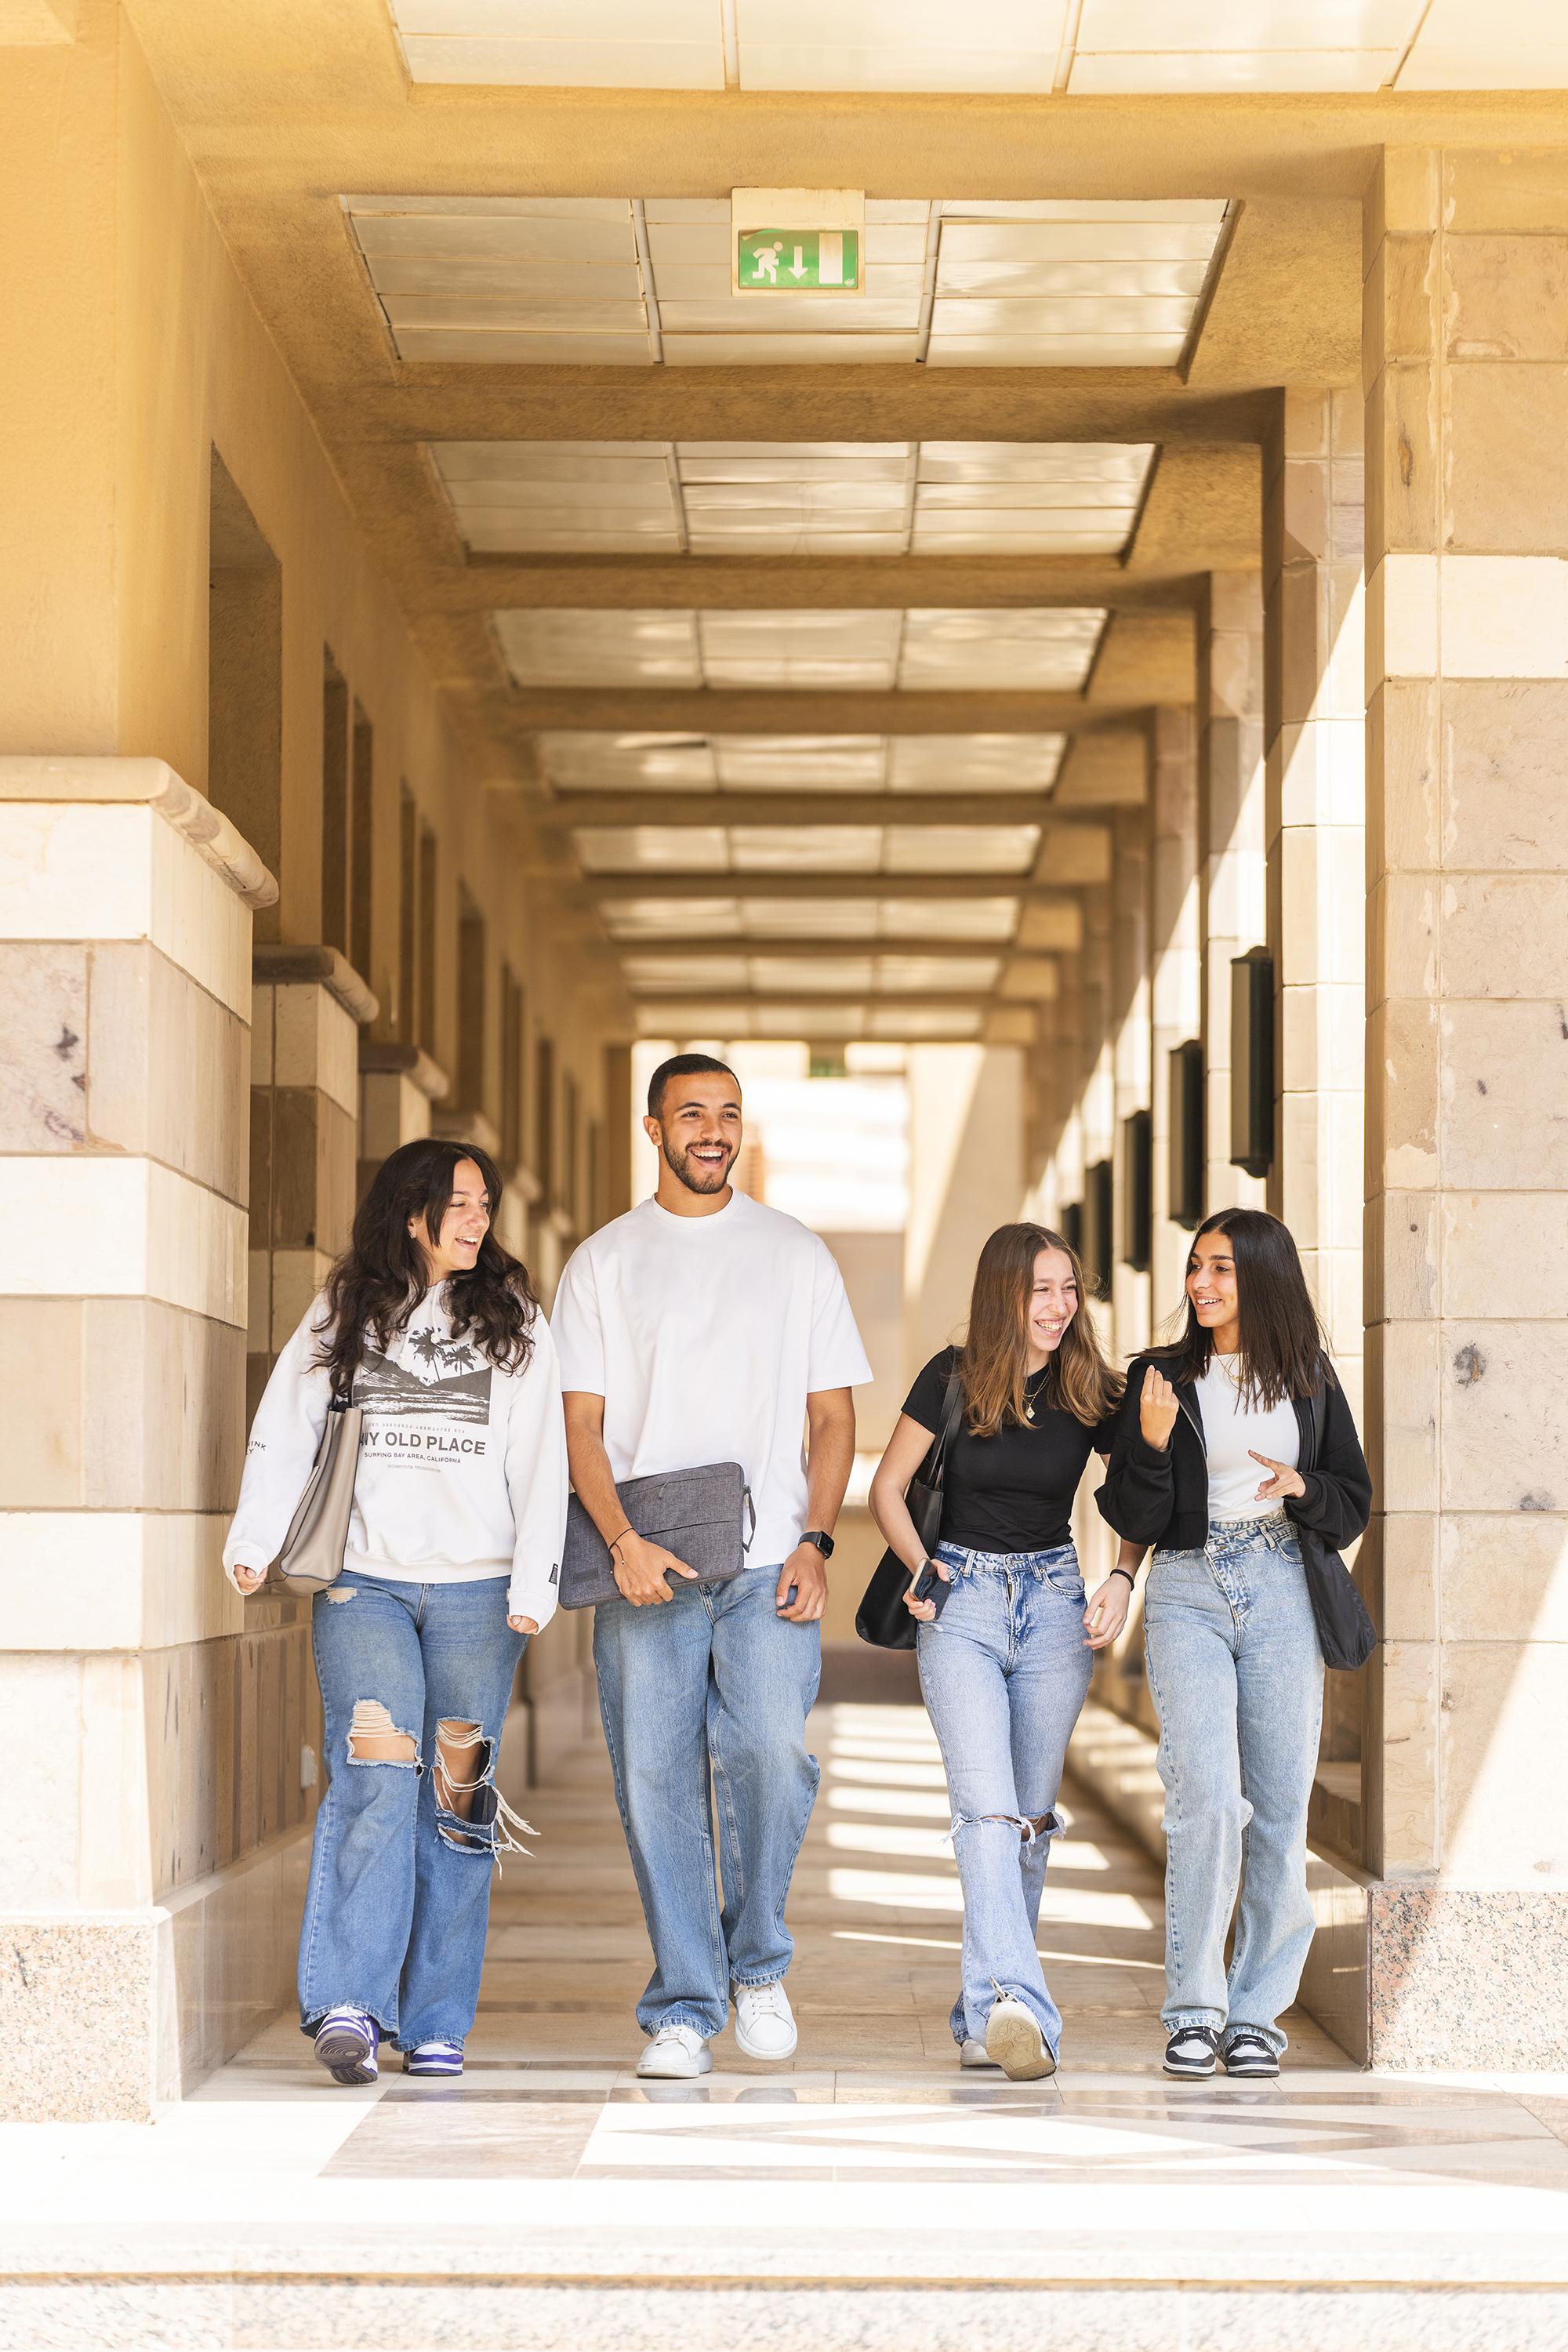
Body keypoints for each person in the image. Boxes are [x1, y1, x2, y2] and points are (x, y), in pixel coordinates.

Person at [552, 1052, 870, 2080]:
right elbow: (581, 1426)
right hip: (646, 1565)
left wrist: (818, 1541)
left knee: (773, 1754)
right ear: (653, 1131)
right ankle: (685, 2005)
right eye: (692, 1113)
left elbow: (834, 1417)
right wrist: (621, 1543)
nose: (713, 1131)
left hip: (771, 1560)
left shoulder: (795, 1255)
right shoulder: (603, 1262)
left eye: (729, 1114)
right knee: (655, 1783)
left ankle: (758, 1964)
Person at [222, 1140, 568, 2085]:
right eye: (456, 1202)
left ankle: (435, 2019)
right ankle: (348, 2004)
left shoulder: (518, 1327)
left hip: (479, 1598)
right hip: (362, 1586)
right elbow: (283, 1427)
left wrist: (535, 1583)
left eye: (483, 1202)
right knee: (374, 1778)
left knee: (457, 1802)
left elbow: (545, 1463)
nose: (475, 1217)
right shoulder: (347, 1313)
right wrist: (253, 1541)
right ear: (409, 1212)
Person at [1097, 1208, 1371, 2081]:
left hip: (1281, 1579)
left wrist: (1303, 1487)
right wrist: (1143, 1444)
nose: (1202, 1285)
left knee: (1280, 1806)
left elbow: (1352, 1500)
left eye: (1221, 1269)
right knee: (1206, 1798)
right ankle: (1192, 2009)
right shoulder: (1157, 1377)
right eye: (1194, 1268)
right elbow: (1130, 1514)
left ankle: (1255, 2014)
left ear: (1261, 1276)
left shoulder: (1307, 1378)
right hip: (1184, 1586)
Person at [869, 1223, 1136, 2082]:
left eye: (1068, 1289)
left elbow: (1145, 1490)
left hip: (1056, 1605)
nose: (1059, 1307)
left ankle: (981, 2011)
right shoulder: (952, 1379)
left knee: (1023, 1827)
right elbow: (884, 1486)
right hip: (963, 1605)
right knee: (984, 1816)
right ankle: (1023, 2008)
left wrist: (1122, 1575)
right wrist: (921, 1566)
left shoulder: (1090, 1386)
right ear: (1003, 1297)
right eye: (1040, 1291)